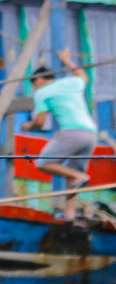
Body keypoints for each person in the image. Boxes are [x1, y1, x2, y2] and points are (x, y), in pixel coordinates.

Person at [21, 47, 98, 219]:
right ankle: (69, 214)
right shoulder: (70, 83)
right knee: (72, 177)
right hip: (91, 134)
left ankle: (80, 176)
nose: (33, 88)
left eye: (33, 84)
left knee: (43, 163)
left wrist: (28, 126)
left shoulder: (42, 93)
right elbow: (83, 76)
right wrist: (67, 60)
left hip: (72, 132)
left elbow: (40, 122)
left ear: (39, 80)